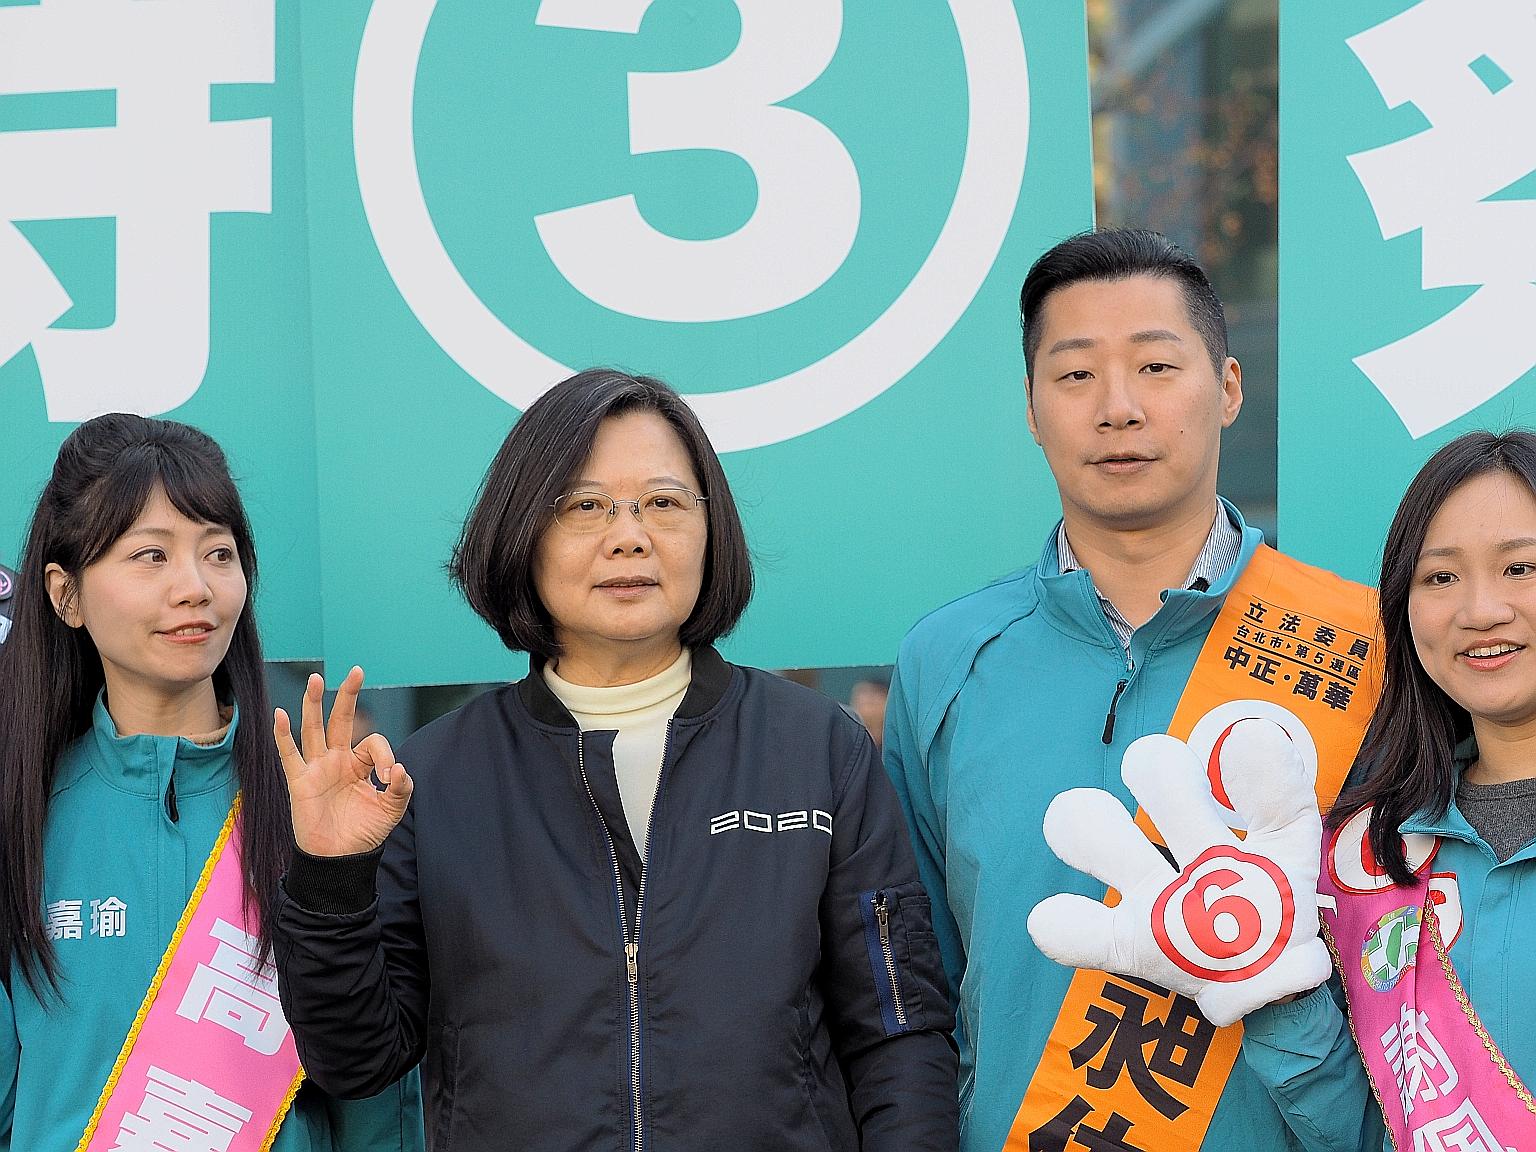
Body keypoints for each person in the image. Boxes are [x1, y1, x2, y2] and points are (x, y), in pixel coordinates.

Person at [271, 369, 959, 1151]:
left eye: (663, 503)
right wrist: (331, 879)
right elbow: (355, 1059)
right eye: (584, 506)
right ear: (521, 533)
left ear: (711, 528)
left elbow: (900, 1031)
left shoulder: (815, 748)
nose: (628, 535)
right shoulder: (438, 776)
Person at [884, 229, 1383, 1152]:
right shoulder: (946, 660)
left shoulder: (1365, 649)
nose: (1117, 408)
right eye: (1074, 376)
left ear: (1228, 388)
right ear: (1031, 410)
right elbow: (920, 987)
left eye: (1156, 366)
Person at [0, 414, 422, 1151]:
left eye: (217, 553)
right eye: (151, 555)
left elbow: (373, 1099)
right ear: (65, 595)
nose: (194, 588)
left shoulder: (319, 810)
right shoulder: (21, 816)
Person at [1242, 430, 1536, 1150]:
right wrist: (1274, 985)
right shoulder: (1370, 855)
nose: (1481, 610)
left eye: (1521, 567)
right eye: (1440, 578)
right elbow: (1365, 1133)